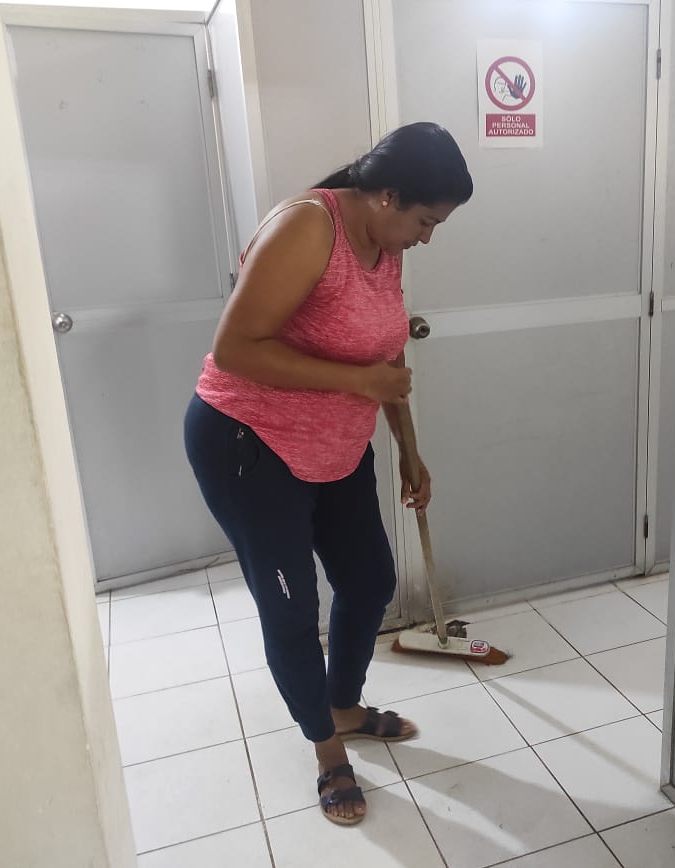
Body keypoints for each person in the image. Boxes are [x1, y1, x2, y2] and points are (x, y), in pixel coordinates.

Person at [184, 123, 473, 826]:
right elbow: (235, 348)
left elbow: (387, 362)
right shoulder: (308, 228)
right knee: (291, 611)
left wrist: (408, 449)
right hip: (251, 445)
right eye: (426, 222)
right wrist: (359, 381)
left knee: (369, 581)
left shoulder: (385, 244)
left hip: (337, 446)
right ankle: (326, 748)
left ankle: (342, 704)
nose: (427, 238)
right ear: (387, 196)